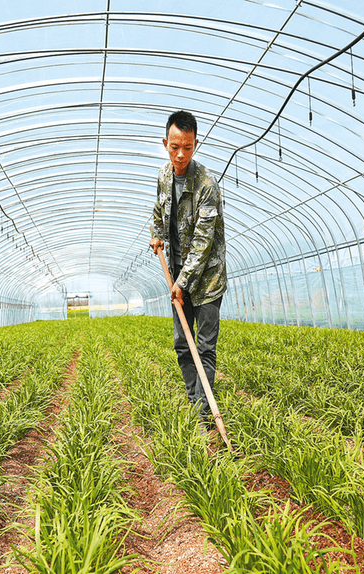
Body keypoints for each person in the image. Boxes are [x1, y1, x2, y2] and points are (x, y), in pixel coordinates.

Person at [149, 110, 227, 425]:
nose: (181, 154)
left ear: (196, 144)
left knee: (205, 348)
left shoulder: (207, 184)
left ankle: (201, 414)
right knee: (183, 345)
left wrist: (183, 283)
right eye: (175, 147)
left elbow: (203, 244)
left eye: (188, 147)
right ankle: (196, 399)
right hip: (177, 277)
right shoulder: (164, 176)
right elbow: (158, 208)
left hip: (206, 280)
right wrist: (156, 235)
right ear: (165, 143)